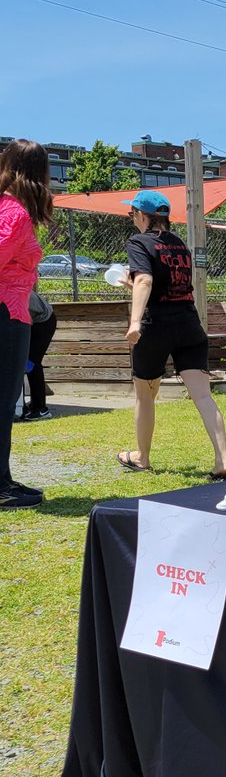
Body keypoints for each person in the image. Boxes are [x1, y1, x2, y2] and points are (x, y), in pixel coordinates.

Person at [118, 190, 226, 477]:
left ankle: (142, 457)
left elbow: (144, 279)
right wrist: (140, 290)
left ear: (144, 216)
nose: (132, 219)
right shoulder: (180, 245)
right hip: (189, 324)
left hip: (156, 326)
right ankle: (222, 461)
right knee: (203, 397)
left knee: (144, 394)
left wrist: (134, 322)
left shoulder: (138, 242)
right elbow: (170, 284)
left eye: (132, 214)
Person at [0, 139, 53, 508]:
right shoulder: (13, 212)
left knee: (4, 403)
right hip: (6, 312)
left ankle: (3, 480)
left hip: (13, 311)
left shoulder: (10, 208)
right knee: (2, 403)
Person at [22, 285, 57, 420]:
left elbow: (23, 318)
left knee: (31, 363)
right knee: (22, 362)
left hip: (44, 321)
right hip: (32, 320)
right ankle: (23, 405)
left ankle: (41, 408)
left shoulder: (9, 289)